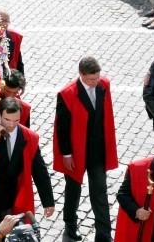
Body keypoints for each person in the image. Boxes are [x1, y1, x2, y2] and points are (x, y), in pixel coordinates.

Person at [0, 98, 55, 239]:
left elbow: (39, 170)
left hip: (13, 201)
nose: (12, 125)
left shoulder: (29, 138)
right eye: (7, 120)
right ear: (0, 115)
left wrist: (48, 201)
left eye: (16, 120)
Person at [53, 56, 118, 242]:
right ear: (81, 75)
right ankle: (70, 226)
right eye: (91, 79)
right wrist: (67, 154)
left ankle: (104, 234)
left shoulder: (103, 84)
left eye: (97, 77)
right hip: (76, 151)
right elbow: (62, 127)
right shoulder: (67, 93)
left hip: (97, 151)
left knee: (100, 191)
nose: (96, 82)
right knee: (73, 190)